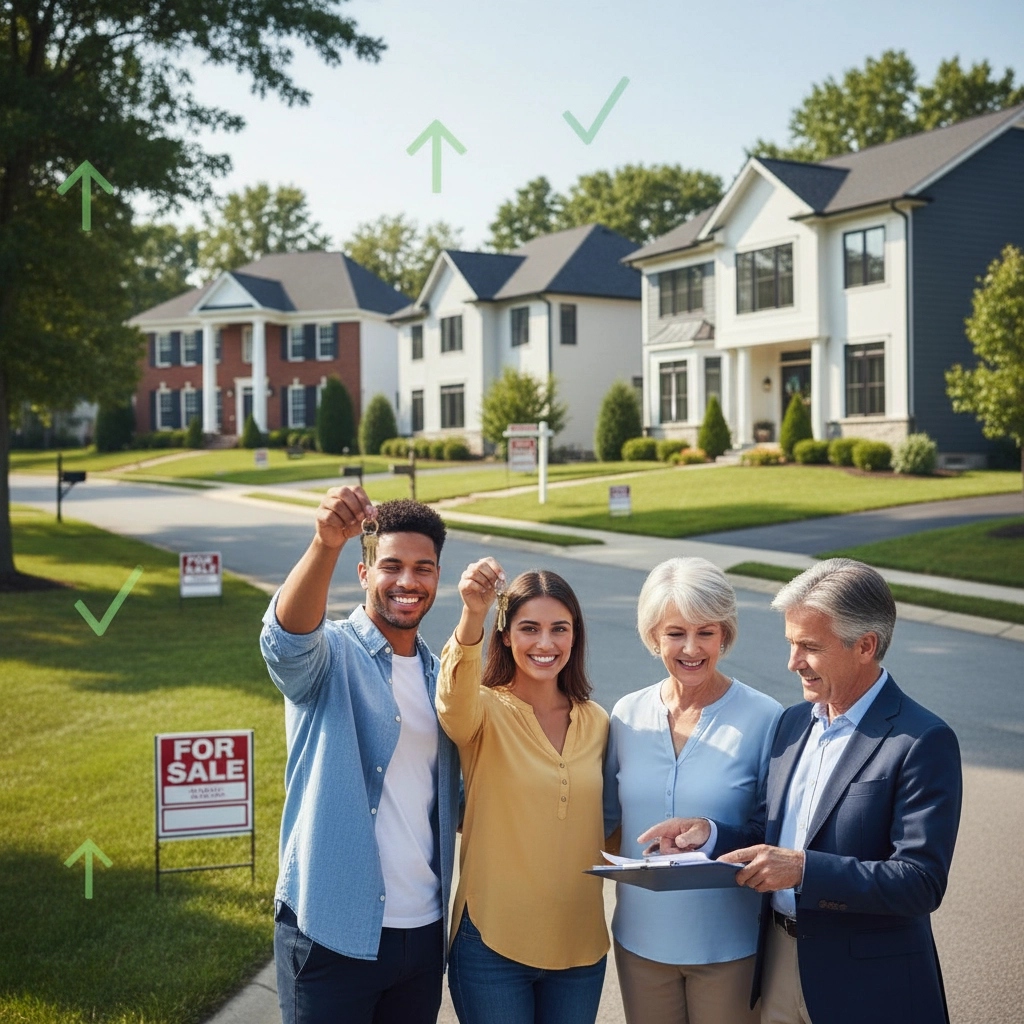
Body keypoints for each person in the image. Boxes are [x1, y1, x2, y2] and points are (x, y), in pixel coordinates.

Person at [642, 558, 962, 1024]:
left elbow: (920, 881)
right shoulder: (793, 723)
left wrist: (804, 870)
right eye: (791, 644)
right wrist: (708, 835)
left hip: (867, 988)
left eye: (809, 647)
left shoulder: (922, 740)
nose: (792, 663)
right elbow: (766, 830)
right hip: (778, 969)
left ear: (865, 646)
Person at [260, 492, 460, 1024]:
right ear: (365, 569)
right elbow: (285, 643)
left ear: (438, 575)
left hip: (421, 935)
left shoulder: (439, 677)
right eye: (391, 566)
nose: (407, 582)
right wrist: (324, 544)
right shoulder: (332, 653)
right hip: (331, 931)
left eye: (423, 569)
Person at [604, 557, 782, 1024]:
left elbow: (775, 831)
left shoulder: (766, 718)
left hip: (730, 945)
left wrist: (711, 831)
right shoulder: (625, 715)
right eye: (675, 633)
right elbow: (603, 819)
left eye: (706, 632)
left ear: (725, 634)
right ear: (653, 636)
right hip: (640, 941)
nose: (691, 648)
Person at [437, 560, 609, 1024]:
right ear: (506, 635)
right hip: (491, 943)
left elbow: (612, 815)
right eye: (529, 628)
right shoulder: (484, 710)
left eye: (560, 629)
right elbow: (452, 703)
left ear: (575, 636)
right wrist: (472, 613)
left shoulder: (597, 721)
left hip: (580, 947)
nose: (546, 643)